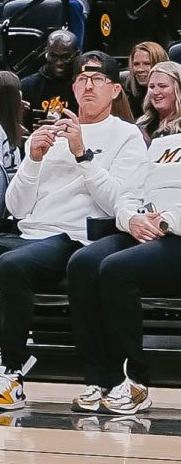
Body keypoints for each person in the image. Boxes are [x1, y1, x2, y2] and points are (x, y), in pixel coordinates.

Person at [0, 53, 143, 414]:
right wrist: (33, 159)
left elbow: (118, 204)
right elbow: (17, 207)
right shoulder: (49, 133)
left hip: (76, 238)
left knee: (13, 265)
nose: (88, 85)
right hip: (27, 234)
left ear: (115, 90)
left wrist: (83, 154)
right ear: (73, 87)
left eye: (98, 79)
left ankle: (10, 377)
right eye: (82, 79)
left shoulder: (126, 135)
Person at [80, 130, 181, 415]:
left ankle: (134, 381)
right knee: (83, 263)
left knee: (117, 268)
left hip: (175, 233)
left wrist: (166, 221)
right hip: (143, 229)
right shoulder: (161, 145)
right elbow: (128, 193)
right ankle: (101, 379)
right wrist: (132, 219)